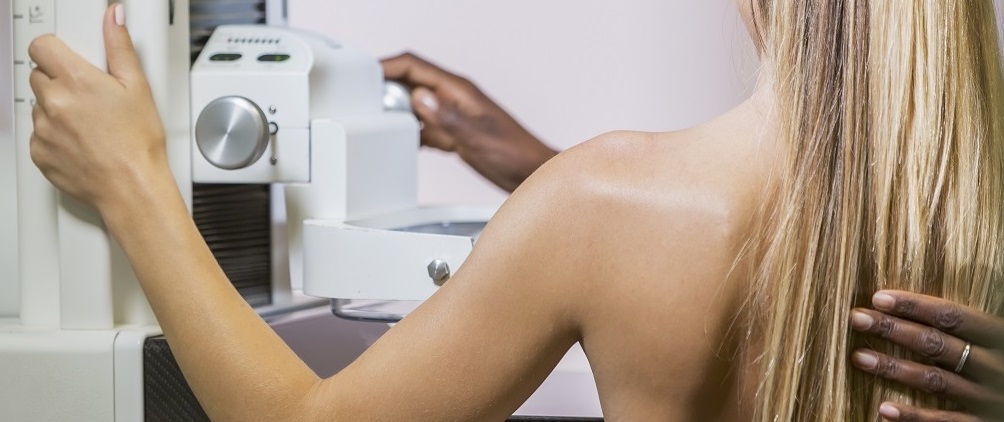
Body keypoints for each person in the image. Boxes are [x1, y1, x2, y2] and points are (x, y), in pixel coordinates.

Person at [25, 1, 1003, 421]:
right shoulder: (978, 219)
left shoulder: (609, 210)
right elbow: (794, 247)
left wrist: (132, 178)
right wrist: (533, 166)